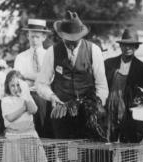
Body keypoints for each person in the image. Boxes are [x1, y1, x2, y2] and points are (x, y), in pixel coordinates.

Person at [36, 11, 108, 140]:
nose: (71, 43)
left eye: (75, 40)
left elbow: (102, 85)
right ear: (62, 36)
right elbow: (41, 83)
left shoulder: (94, 50)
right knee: (68, 154)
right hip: (62, 113)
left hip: (88, 113)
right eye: (67, 39)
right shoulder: (52, 52)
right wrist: (52, 96)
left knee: (89, 153)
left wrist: (97, 105)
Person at [1, 70, 47, 162]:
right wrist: (22, 108)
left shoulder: (27, 98)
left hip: (30, 137)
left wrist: (26, 95)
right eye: (12, 85)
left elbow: (34, 109)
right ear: (8, 86)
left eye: (18, 85)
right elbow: (10, 117)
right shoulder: (5, 100)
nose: (15, 88)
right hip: (14, 139)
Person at [105, 28, 143, 142]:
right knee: (106, 151)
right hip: (109, 114)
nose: (127, 48)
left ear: (136, 47)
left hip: (129, 115)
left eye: (131, 45)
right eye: (125, 45)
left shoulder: (142, 68)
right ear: (120, 46)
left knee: (129, 153)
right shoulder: (108, 64)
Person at [14, 19, 51, 138]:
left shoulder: (49, 55)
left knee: (45, 132)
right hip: (26, 97)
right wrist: (39, 77)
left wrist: (26, 75)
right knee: (27, 133)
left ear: (43, 37)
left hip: (45, 99)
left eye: (37, 37)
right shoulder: (21, 57)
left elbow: (49, 79)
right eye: (32, 36)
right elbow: (17, 79)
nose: (34, 40)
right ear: (27, 36)